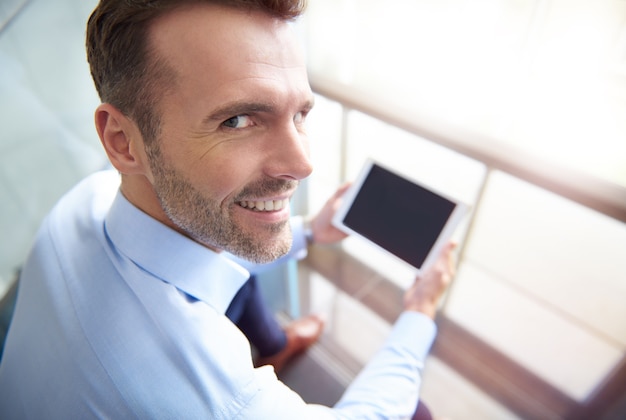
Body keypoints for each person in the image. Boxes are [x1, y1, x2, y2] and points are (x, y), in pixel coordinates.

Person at [0, 1, 457, 418]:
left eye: (300, 114)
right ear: (123, 142)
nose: (302, 165)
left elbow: (189, 248)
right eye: (236, 120)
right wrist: (419, 312)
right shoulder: (220, 404)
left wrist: (310, 232)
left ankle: (277, 346)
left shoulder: (84, 201)